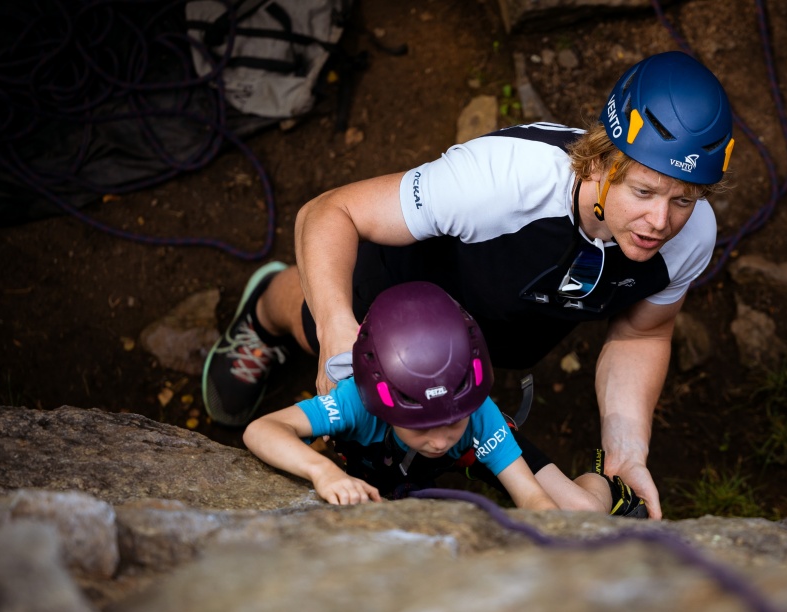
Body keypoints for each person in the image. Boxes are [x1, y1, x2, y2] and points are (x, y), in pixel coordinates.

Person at [205, 51, 734, 519]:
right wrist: (335, 325)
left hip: (478, 363)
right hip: (396, 305)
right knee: (305, 313)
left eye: (683, 199)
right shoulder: (499, 182)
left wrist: (626, 452)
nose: (660, 222)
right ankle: (264, 313)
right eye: (643, 191)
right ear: (600, 159)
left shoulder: (689, 241)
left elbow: (643, 334)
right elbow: (329, 213)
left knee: (544, 495)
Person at [243, 281, 643, 515]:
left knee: (584, 512)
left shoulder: (479, 415)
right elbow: (263, 430)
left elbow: (533, 498)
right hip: (396, 456)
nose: (438, 440)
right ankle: (267, 304)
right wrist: (323, 471)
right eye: (420, 426)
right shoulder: (356, 401)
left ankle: (608, 485)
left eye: (450, 421)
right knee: (307, 323)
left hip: (476, 443)